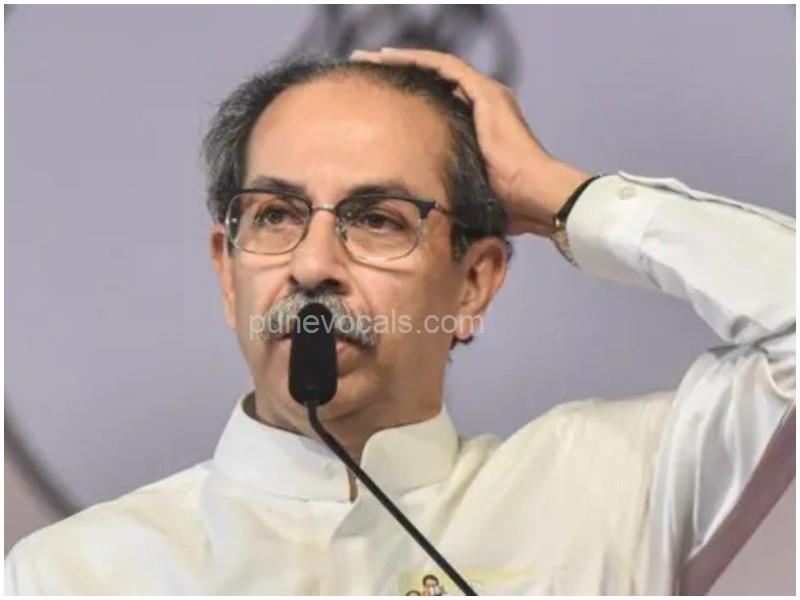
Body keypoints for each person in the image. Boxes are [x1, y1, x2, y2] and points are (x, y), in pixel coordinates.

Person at [4, 48, 794, 595]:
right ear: (226, 270)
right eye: (276, 214)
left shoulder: (608, 488)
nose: (313, 264)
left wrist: (565, 196)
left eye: (377, 219)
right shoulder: (69, 576)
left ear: (474, 285)